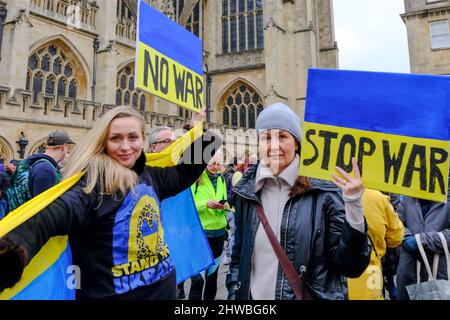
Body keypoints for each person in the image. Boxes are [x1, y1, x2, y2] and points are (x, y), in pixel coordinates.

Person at [0, 106, 221, 300]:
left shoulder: (149, 175)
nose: (126, 146)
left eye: (133, 137)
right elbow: (51, 217)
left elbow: (184, 173)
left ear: (142, 140)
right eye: (116, 138)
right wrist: (12, 251)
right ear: (103, 142)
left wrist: (202, 133)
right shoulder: (94, 186)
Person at [226, 102, 371, 300]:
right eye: (266, 137)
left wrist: (354, 205)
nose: (273, 145)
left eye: (282, 136)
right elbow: (238, 258)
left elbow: (351, 266)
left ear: (297, 143)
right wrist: (235, 295)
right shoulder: (246, 192)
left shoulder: (323, 192)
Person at [347, 189, 404, 300]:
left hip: (327, 287)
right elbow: (396, 238)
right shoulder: (377, 197)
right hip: (369, 285)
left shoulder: (317, 195)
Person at [396, 191, 450, 300]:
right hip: (408, 271)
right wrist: (406, 236)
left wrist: (422, 240)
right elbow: (397, 222)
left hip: (440, 274)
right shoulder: (408, 195)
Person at [189, 151, 228, 300]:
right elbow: (189, 204)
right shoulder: (196, 179)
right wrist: (205, 204)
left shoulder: (222, 179)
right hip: (201, 233)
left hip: (218, 232)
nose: (215, 167)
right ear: (206, 164)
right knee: (198, 280)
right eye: (212, 164)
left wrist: (223, 207)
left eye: (218, 164)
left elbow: (225, 201)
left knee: (212, 277)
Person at [29, 130, 75, 197]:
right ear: (64, 147)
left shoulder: (43, 165)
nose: (68, 151)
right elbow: (44, 203)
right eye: (68, 147)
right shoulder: (45, 169)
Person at [222, 157, 243, 265]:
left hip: (226, 208)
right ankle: (229, 255)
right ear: (235, 165)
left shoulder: (225, 173)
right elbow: (238, 192)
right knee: (233, 233)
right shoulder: (236, 174)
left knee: (230, 232)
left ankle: (227, 254)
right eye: (240, 163)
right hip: (234, 208)